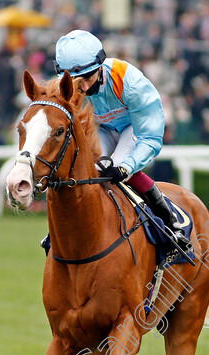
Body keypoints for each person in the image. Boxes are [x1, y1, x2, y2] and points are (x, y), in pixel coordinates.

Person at [54, 30, 191, 250]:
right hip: (101, 129)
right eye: (78, 83)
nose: (85, 88)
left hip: (132, 128)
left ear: (100, 67)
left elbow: (151, 137)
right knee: (89, 169)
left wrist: (127, 168)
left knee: (116, 167)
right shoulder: (65, 88)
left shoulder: (130, 82)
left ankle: (169, 223)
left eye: (88, 78)